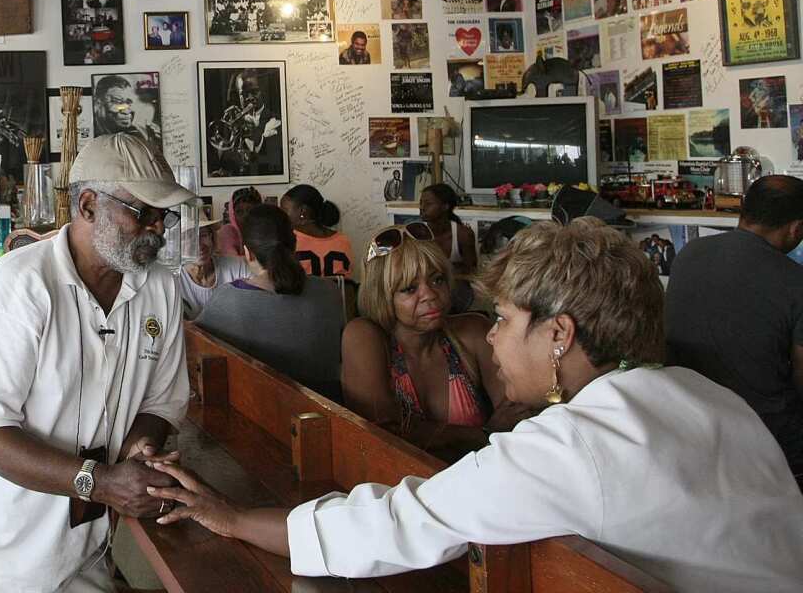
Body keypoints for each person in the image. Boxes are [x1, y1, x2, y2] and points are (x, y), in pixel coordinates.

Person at [146, 219, 803, 591]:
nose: (489, 334)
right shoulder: (712, 398)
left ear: (559, 335)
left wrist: (233, 519)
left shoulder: (573, 445)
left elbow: (394, 525)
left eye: (505, 319)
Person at [0, 134, 194, 591]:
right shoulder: (13, 290)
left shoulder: (161, 290)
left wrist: (139, 451)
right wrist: (103, 482)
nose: (157, 228)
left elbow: (161, 401)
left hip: (75, 558)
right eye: (142, 213)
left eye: (163, 215)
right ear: (89, 204)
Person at [341, 223, 520, 457]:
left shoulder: (473, 330)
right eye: (409, 289)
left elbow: (517, 411)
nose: (430, 295)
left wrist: (446, 436)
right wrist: (485, 432)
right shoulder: (364, 336)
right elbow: (384, 435)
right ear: (382, 296)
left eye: (437, 280)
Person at [666, 175, 803, 478]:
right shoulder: (795, 281)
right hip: (770, 440)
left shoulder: (689, 254)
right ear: (795, 228)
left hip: (688, 424)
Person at [194, 205, 348, 400]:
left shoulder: (227, 300)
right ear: (294, 244)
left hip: (261, 414)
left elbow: (195, 350)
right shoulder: (330, 292)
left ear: (248, 253)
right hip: (331, 413)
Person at [179, 216, 249, 319]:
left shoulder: (238, 267)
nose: (199, 245)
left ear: (212, 237)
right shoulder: (172, 280)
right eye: (189, 237)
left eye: (203, 235)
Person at [279, 184, 353, 279]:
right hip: (337, 293)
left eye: (284, 210)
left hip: (306, 293)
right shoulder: (343, 241)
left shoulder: (289, 240)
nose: (280, 215)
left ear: (303, 212)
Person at [92, 74, 162, 153]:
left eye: (129, 102)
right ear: (98, 103)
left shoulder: (140, 133)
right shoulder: (92, 134)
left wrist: (153, 144)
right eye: (118, 102)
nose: (126, 111)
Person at [215, 187, 261, 257]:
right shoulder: (227, 231)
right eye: (239, 212)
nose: (245, 216)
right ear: (233, 214)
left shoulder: (264, 231)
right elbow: (233, 261)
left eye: (250, 211)